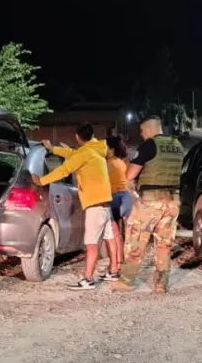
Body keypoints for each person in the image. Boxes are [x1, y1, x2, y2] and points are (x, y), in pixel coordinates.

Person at [34, 123, 113, 290]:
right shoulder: (96, 150)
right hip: (105, 205)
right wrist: (52, 148)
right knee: (108, 238)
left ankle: (88, 279)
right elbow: (72, 154)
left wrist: (41, 181)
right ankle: (114, 271)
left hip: (95, 205)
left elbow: (64, 169)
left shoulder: (85, 153)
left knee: (91, 244)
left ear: (77, 137)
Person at [112, 116, 183, 294]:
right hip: (172, 201)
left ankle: (126, 282)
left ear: (150, 129)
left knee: (135, 240)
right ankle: (161, 285)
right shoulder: (177, 145)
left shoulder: (149, 145)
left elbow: (129, 175)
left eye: (143, 131)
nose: (142, 135)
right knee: (164, 245)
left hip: (150, 201)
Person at [104, 136, 132, 280]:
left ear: (112, 150)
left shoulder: (108, 164)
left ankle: (114, 267)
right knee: (124, 235)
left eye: (105, 147)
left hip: (114, 198)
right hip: (126, 198)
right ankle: (122, 265)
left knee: (113, 234)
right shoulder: (121, 162)